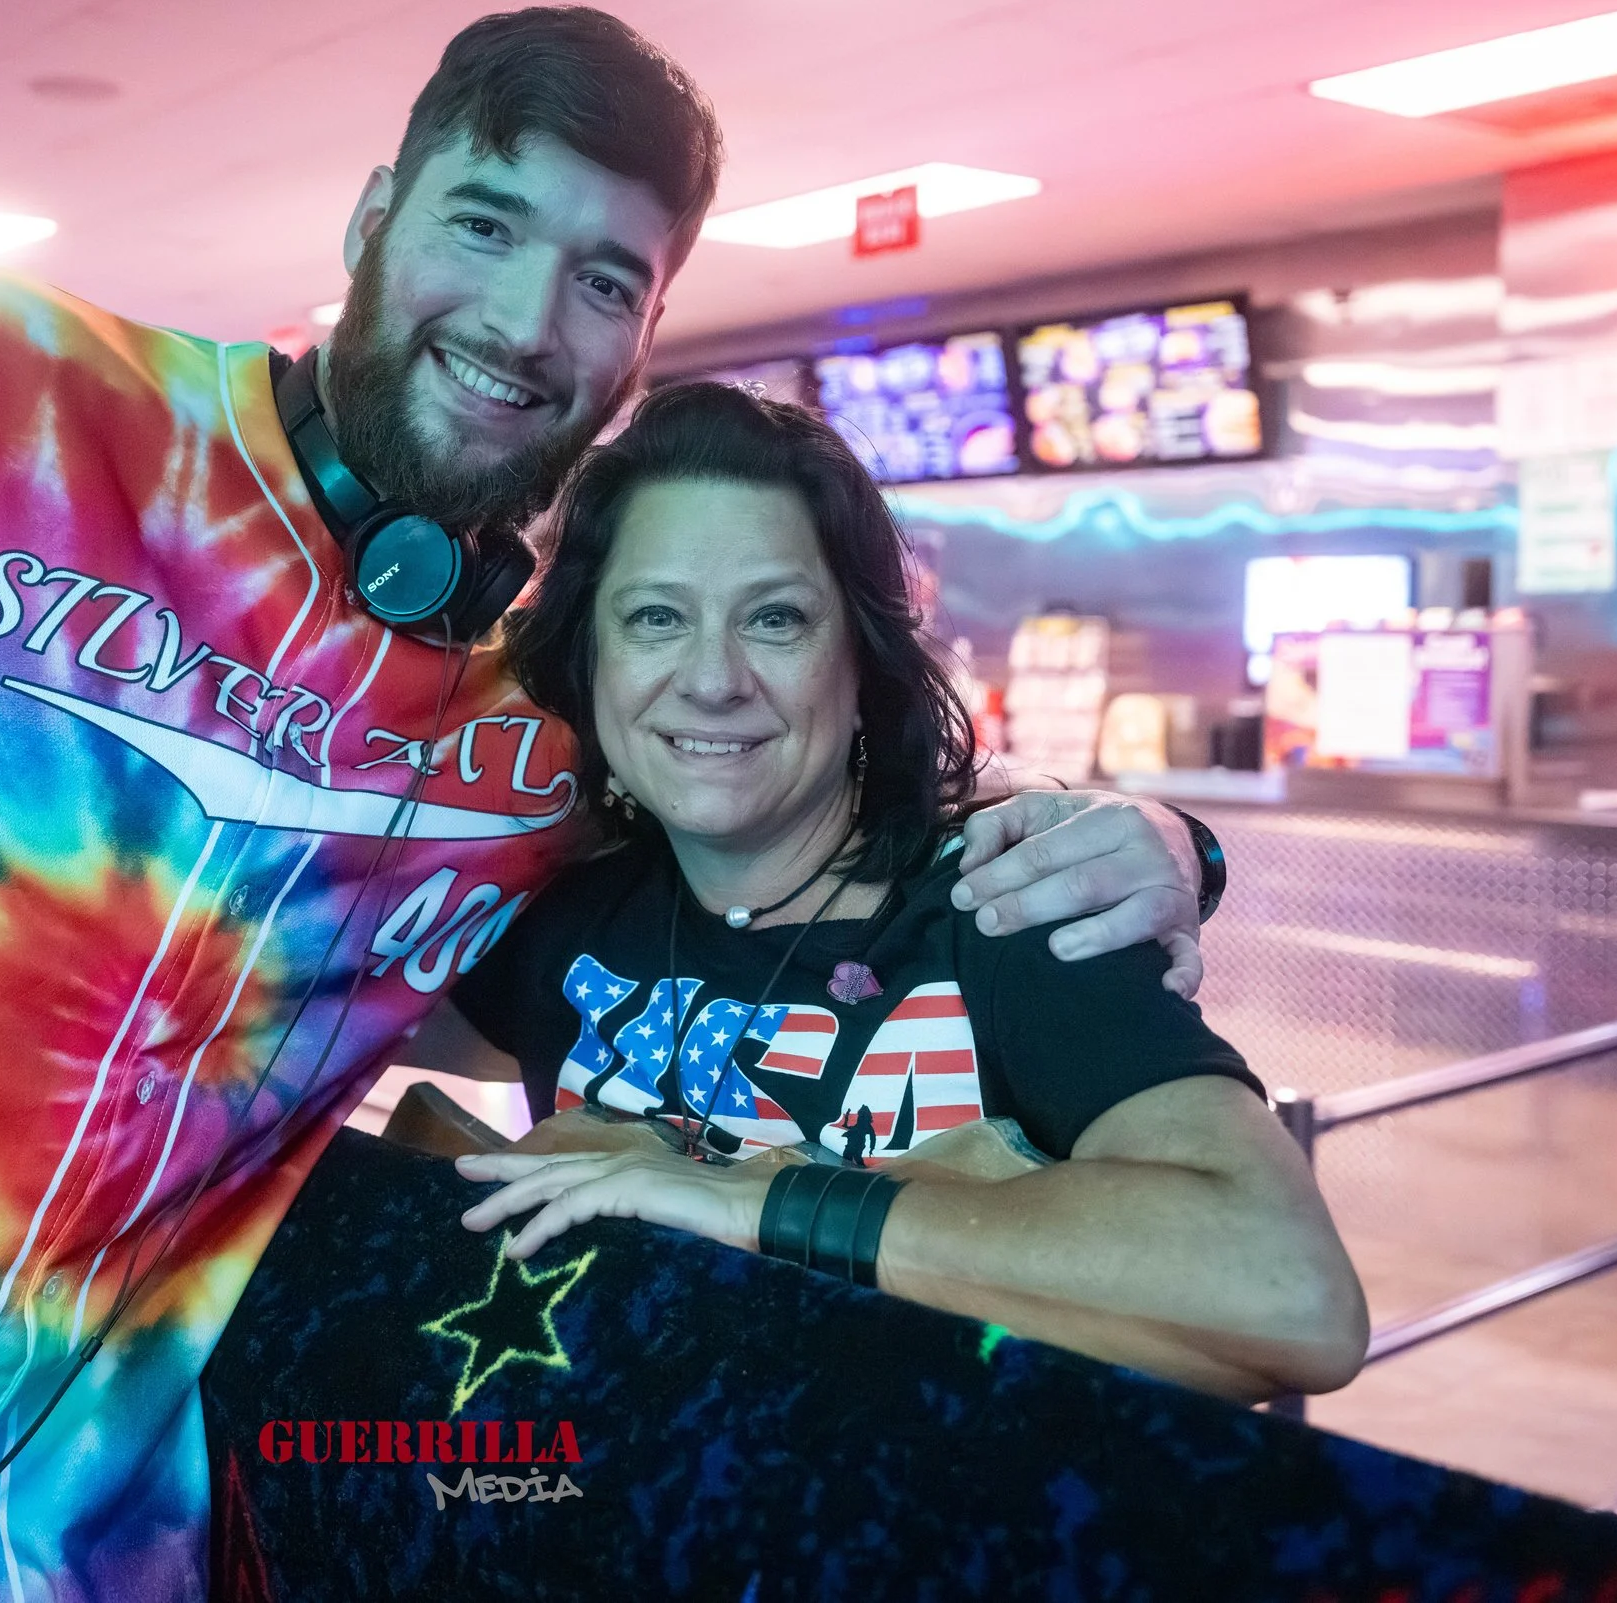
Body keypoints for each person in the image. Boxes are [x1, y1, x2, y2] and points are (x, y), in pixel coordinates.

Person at [0, 10, 1211, 1602]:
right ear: (377, 218)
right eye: (487, 223)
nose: (528, 320)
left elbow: (790, 844)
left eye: (606, 279)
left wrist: (1168, 842)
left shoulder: (544, 719)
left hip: (38, 1547)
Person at [419, 383, 1365, 1403]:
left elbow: (1289, 1296)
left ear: (859, 662)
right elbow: (262, 1025)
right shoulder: (560, 917)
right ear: (587, 659)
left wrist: (755, 1197)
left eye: (775, 618)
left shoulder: (1000, 908)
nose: (711, 677)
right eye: (654, 617)